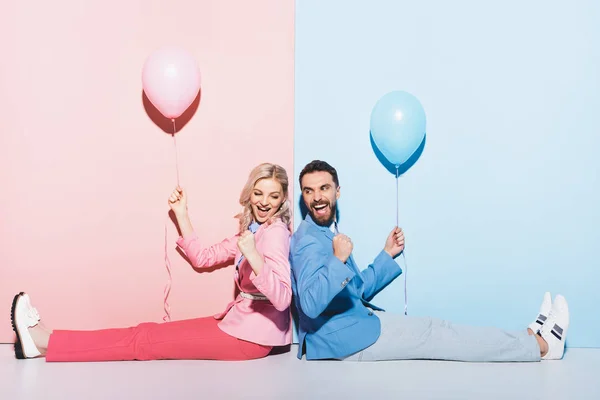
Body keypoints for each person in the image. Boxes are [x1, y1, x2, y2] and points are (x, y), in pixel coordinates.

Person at [290, 160, 569, 362]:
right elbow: (311, 305)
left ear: (337, 191)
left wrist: (386, 255)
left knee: (440, 330)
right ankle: (542, 347)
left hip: (355, 325)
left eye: (324, 188)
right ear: (303, 196)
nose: (317, 198)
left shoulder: (329, 231)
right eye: (309, 191)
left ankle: (530, 336)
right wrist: (338, 260)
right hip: (344, 340)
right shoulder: (307, 241)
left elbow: (354, 290)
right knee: (440, 335)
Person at [11, 163, 293, 362]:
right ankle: (47, 341)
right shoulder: (253, 231)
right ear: (249, 193)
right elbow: (203, 257)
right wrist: (182, 213)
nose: (264, 202)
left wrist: (254, 257)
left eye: (273, 196)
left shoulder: (276, 233)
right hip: (237, 324)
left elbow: (282, 298)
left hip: (249, 339)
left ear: (282, 201)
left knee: (144, 341)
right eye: (259, 193)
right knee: (146, 333)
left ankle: (45, 343)